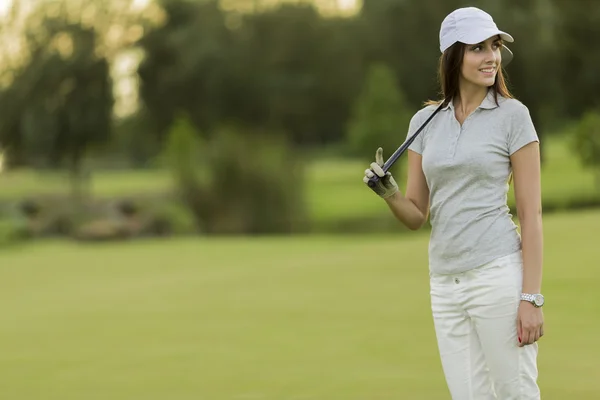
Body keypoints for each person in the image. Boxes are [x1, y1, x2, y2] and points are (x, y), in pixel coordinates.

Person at [363, 7, 545, 400]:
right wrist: (389, 193)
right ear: (453, 56)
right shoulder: (424, 122)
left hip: (497, 274)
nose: (491, 57)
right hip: (445, 284)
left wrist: (531, 297)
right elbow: (416, 214)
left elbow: (531, 215)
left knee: (516, 394)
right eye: (478, 48)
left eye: (494, 46)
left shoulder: (514, 116)